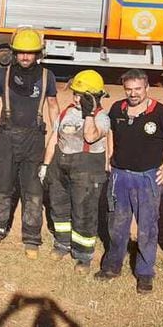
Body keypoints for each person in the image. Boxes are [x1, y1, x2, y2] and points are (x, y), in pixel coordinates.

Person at [95, 69, 163, 293]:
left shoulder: (162, 113)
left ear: (147, 88)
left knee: (147, 227)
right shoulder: (118, 108)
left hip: (147, 178)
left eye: (137, 89)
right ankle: (112, 266)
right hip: (120, 175)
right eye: (129, 89)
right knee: (117, 224)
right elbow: (111, 132)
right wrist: (110, 157)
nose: (133, 93)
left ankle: (144, 273)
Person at [0, 29, 58, 258]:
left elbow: (53, 107)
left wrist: (59, 135)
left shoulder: (47, 77)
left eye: (30, 53)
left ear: (38, 54)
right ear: (14, 53)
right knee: (3, 185)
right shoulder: (2, 75)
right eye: (21, 53)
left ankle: (32, 237)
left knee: (33, 189)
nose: (25, 57)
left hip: (35, 138)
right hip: (6, 137)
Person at [43, 69, 110, 272]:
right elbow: (55, 138)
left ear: (94, 96)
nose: (76, 98)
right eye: (75, 94)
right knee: (59, 206)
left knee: (84, 212)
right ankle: (62, 243)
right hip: (59, 166)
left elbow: (90, 137)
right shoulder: (67, 112)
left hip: (87, 170)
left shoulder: (101, 117)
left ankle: (83, 255)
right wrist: (45, 165)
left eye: (81, 95)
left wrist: (89, 112)